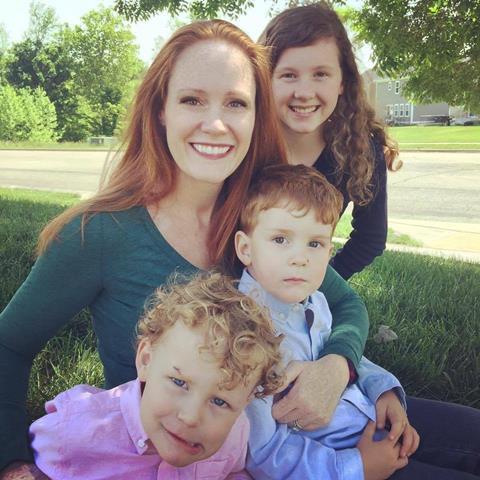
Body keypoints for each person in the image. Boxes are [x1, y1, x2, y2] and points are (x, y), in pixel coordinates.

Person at [0, 19, 368, 479]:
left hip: (323, 433)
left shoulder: (258, 223)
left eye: (236, 103)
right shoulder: (99, 233)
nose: (214, 124)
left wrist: (337, 367)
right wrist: (13, 463)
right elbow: (8, 345)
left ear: (256, 117)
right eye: (192, 99)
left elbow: (346, 303)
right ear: (161, 110)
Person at [234, 164, 480, 479]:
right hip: (339, 464)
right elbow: (263, 453)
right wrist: (358, 468)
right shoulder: (243, 335)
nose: (300, 257)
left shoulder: (314, 301)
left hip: (372, 422)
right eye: (281, 239)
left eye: (315, 244)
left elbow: (343, 356)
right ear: (245, 247)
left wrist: (382, 391)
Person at [28, 272, 283, 479]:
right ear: (146, 360)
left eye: (220, 401)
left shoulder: (235, 434)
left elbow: (232, 471)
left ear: (245, 402)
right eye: (179, 382)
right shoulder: (76, 432)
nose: (191, 417)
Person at [258, 2, 401, 280]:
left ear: (342, 83)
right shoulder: (246, 142)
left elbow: (370, 238)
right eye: (288, 75)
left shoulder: (360, 149)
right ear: (264, 79)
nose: (304, 92)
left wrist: (316, 286)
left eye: (320, 74)